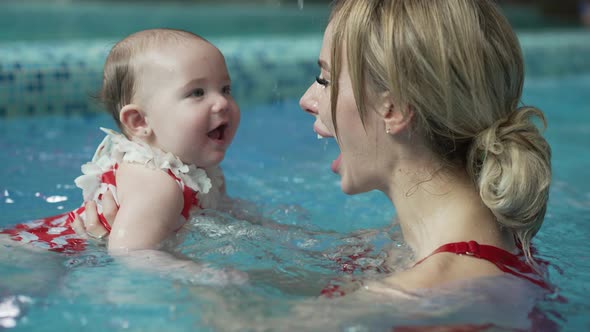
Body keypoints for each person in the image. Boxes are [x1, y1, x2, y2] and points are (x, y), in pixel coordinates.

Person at [80, 0, 552, 295]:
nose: (307, 100)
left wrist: (199, 276)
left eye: (325, 78)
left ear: (393, 109)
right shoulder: (479, 242)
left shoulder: (419, 294)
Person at [1, 28, 240, 255]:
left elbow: (228, 212)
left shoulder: (200, 169)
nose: (222, 103)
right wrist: (202, 274)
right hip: (45, 249)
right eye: (197, 92)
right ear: (139, 121)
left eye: (225, 89)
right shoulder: (158, 185)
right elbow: (132, 255)